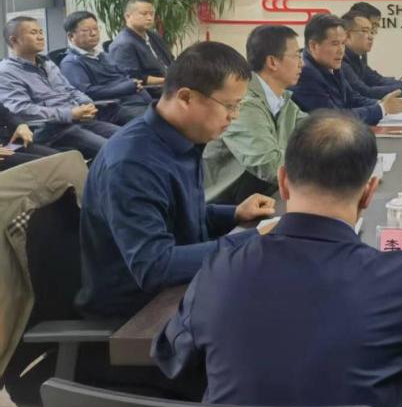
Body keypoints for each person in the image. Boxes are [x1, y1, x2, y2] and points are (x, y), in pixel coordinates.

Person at [154, 111, 402, 407]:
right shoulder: (399, 279)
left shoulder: (219, 268)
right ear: (369, 193)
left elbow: (172, 354)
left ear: (283, 182)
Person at [76, 42, 276, 318]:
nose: (235, 116)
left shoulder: (180, 138)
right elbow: (154, 266)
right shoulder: (133, 162)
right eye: (229, 106)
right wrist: (253, 240)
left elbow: (177, 215)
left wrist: (234, 213)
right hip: (139, 313)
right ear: (185, 97)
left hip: (182, 287)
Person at [204, 25, 307, 204]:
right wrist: (325, 164)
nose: (302, 63)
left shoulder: (282, 100)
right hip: (227, 207)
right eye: (297, 56)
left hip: (261, 194)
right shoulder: (243, 102)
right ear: (272, 62)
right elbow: (269, 164)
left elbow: (315, 131)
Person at [0, 16, 120, 159]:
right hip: (53, 130)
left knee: (129, 138)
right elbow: (22, 110)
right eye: (33, 33)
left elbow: (70, 89)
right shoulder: (6, 72)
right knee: (114, 149)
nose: (40, 37)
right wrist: (69, 113)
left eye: (41, 32)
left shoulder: (46, 63)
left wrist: (86, 104)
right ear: (14, 40)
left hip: (79, 120)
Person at [290, 13, 402, 124]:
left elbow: (352, 98)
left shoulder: (331, 64)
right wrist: (381, 109)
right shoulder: (305, 73)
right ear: (313, 46)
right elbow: (332, 119)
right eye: (334, 44)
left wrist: (382, 104)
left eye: (343, 43)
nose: (341, 50)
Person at [60, 10, 151, 123]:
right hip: (113, 108)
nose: (93, 33)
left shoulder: (103, 55)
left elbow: (122, 75)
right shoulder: (71, 63)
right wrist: (124, 88)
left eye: (96, 29)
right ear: (71, 36)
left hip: (135, 101)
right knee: (155, 121)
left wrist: (133, 84)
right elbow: (86, 92)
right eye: (86, 30)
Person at [341, 11, 402, 99]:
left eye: (371, 32)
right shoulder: (341, 61)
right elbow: (365, 92)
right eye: (365, 31)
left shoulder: (356, 57)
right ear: (347, 35)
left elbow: (377, 80)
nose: (371, 37)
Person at [108, 0, 174, 86]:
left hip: (171, 84)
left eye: (152, 14)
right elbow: (133, 78)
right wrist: (168, 80)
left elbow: (171, 60)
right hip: (152, 90)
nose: (149, 18)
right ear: (128, 16)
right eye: (144, 14)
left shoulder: (154, 36)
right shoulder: (123, 44)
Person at [0, 101, 58, 170]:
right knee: (45, 165)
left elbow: (7, 115)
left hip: (8, 143)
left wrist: (21, 125)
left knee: (59, 158)